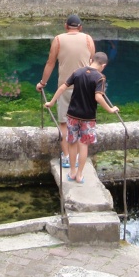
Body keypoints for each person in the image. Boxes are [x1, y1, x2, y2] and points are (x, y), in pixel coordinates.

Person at [44, 52, 118, 184]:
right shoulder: (100, 77)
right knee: (83, 145)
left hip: (72, 115)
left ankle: (72, 172)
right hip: (88, 118)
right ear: (104, 65)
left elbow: (62, 87)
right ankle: (79, 175)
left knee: (72, 143)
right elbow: (98, 97)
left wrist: (51, 102)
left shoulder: (78, 72)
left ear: (91, 60)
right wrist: (110, 109)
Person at [36, 14, 95, 167]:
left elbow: (50, 63)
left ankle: (68, 157)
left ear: (66, 26)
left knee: (64, 123)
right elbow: (92, 63)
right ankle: (80, 156)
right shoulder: (88, 39)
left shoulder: (58, 39)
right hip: (86, 88)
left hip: (66, 87)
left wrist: (43, 82)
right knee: (83, 122)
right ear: (80, 27)